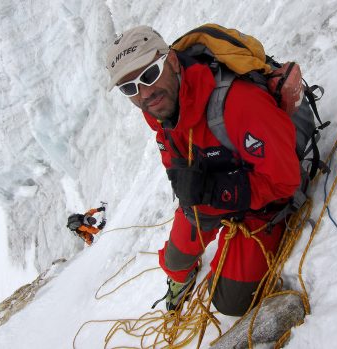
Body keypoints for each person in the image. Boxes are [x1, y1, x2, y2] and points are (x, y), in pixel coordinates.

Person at [105, 26, 300, 316]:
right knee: (174, 262)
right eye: (129, 88)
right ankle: (187, 273)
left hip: (260, 203)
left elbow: (284, 182)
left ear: (171, 61)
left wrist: (217, 193)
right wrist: (190, 186)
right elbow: (174, 157)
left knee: (229, 301)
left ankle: (230, 251)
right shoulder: (162, 108)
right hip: (212, 193)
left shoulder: (239, 103)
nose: (144, 93)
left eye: (149, 75)